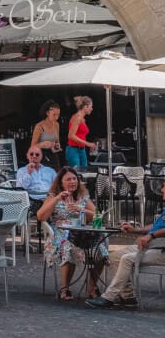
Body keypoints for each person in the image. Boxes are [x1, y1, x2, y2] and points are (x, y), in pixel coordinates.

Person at [86, 178, 165, 309]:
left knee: (127, 259)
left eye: (164, 187)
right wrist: (134, 230)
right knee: (114, 256)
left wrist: (151, 235)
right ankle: (128, 296)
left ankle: (108, 298)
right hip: (154, 245)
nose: (161, 190)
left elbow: (156, 231)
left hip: (161, 250)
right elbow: (156, 226)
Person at [38, 166, 106, 300]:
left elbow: (98, 216)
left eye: (75, 178)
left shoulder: (82, 197)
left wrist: (82, 210)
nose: (73, 181)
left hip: (80, 234)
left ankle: (92, 287)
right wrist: (57, 198)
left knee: (101, 250)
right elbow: (41, 217)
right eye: (68, 179)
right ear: (60, 182)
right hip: (59, 234)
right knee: (67, 247)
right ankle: (65, 289)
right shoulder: (53, 196)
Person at [31, 100, 64, 169]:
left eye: (58, 115)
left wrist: (57, 146)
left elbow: (57, 142)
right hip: (41, 157)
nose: (56, 117)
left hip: (54, 157)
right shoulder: (39, 126)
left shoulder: (57, 125)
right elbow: (32, 146)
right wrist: (42, 144)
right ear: (47, 113)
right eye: (54, 115)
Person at [67, 95, 97, 169]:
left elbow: (80, 135)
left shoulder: (83, 119)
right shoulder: (77, 117)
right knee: (77, 173)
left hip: (81, 150)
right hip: (73, 149)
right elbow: (71, 135)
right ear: (85, 107)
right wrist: (88, 143)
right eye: (91, 106)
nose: (92, 109)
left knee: (84, 173)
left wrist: (88, 145)